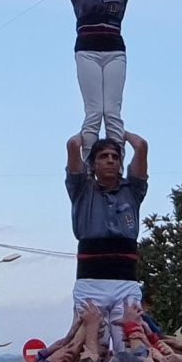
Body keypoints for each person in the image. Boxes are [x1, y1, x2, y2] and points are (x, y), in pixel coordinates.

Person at [65, 130, 148, 349]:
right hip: (91, 282)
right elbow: (72, 146)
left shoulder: (133, 191)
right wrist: (88, 132)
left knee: (130, 348)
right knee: (92, 349)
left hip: (126, 282)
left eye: (115, 156)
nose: (110, 160)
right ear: (92, 164)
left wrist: (119, 130)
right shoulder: (82, 190)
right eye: (103, 156)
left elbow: (141, 147)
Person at [66, 0, 137, 149]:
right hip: (87, 50)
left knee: (113, 111)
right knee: (94, 111)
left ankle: (116, 162)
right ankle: (90, 164)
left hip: (114, 50)